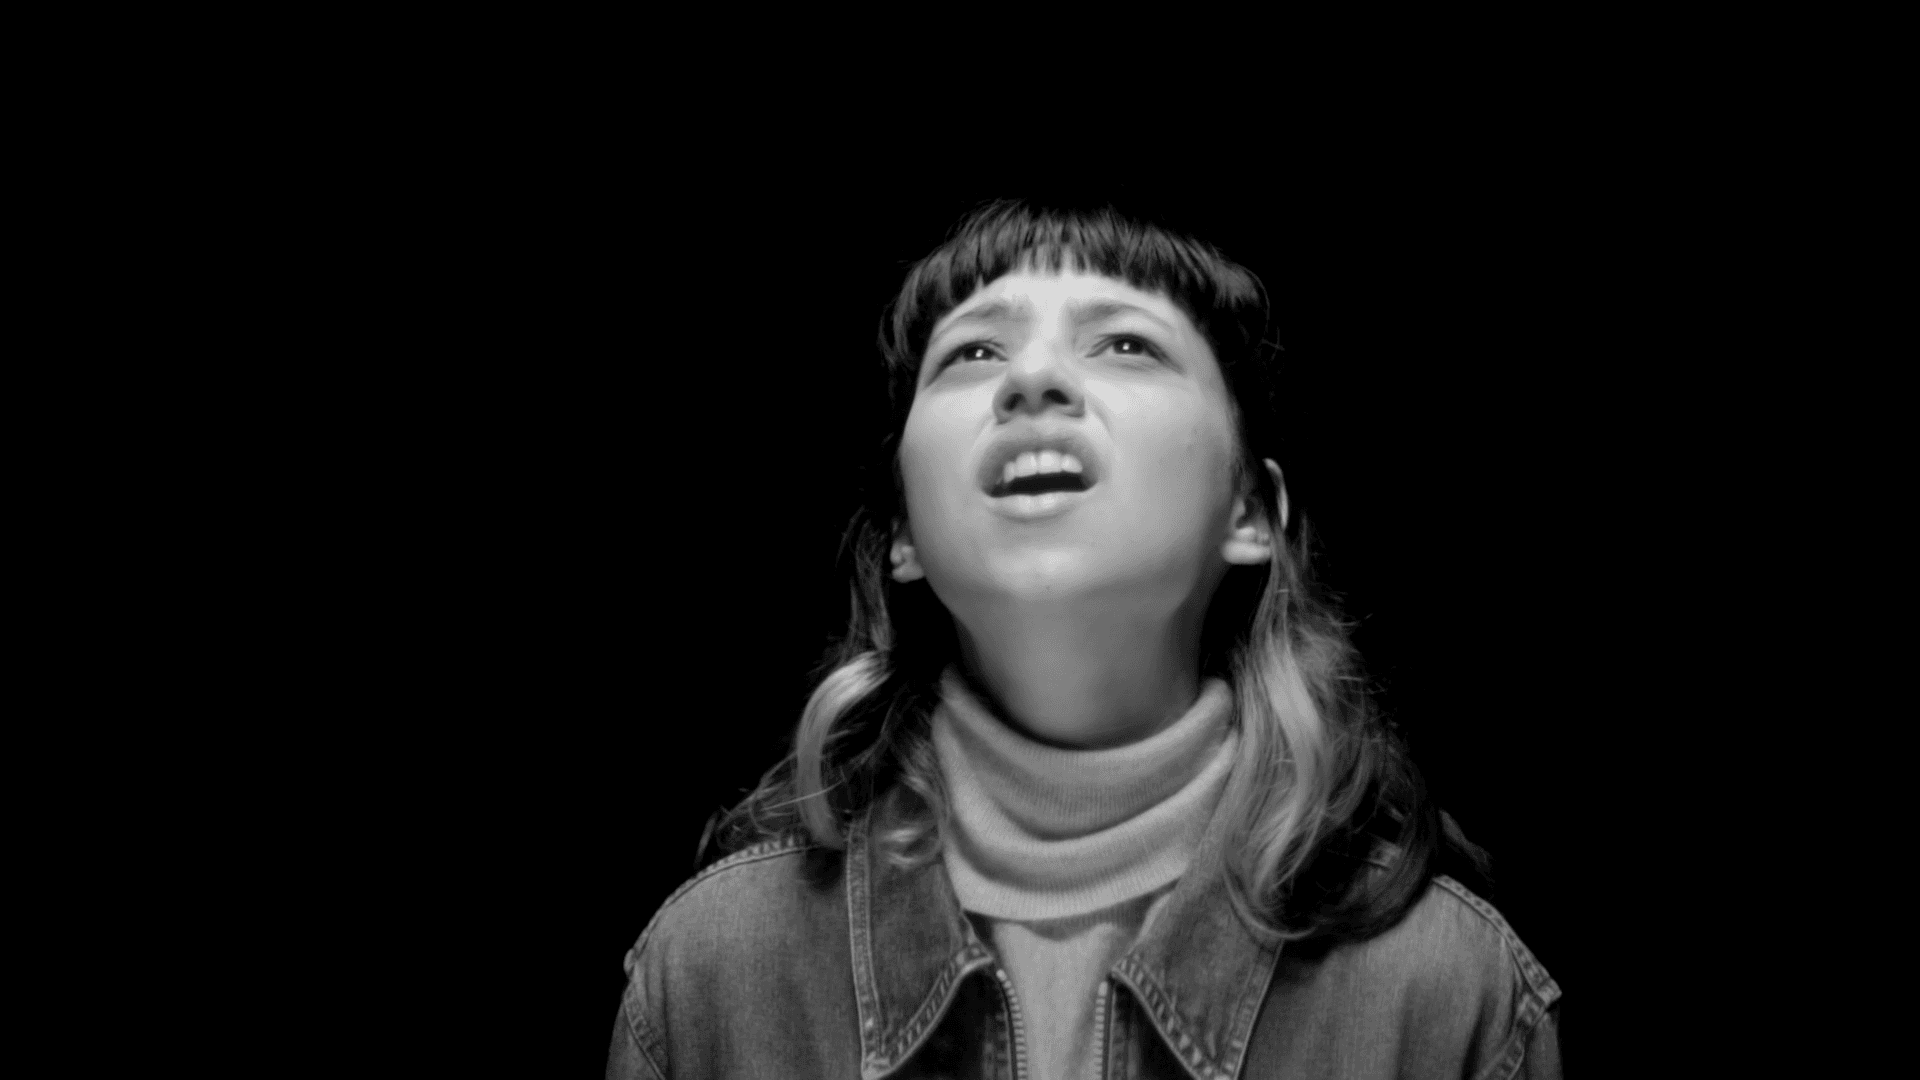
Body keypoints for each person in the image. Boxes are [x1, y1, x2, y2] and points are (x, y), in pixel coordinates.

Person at [606, 201, 1561, 1079]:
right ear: (902, 531)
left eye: (1124, 343)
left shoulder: (1449, 991)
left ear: (1250, 514)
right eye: (974, 354)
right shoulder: (708, 972)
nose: (1031, 378)